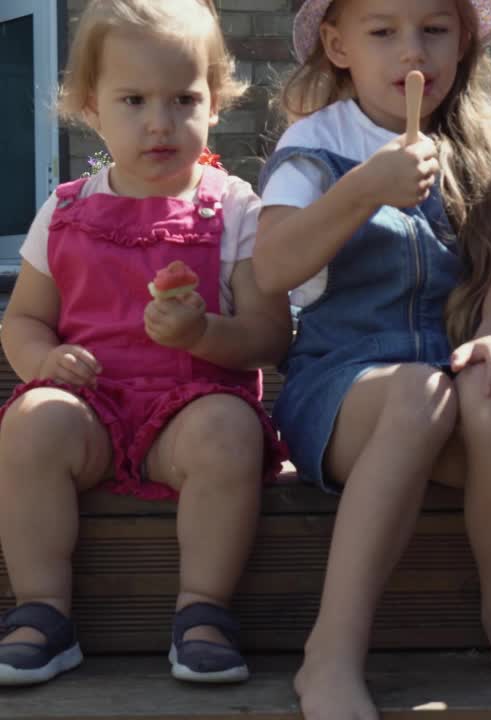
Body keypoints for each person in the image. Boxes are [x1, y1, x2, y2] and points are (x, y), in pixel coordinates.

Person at [254, 0, 491, 716]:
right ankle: (332, 652)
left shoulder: (490, 146)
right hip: (342, 390)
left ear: (465, 38)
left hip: (450, 379)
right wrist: (361, 189)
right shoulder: (318, 140)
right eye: (383, 32)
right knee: (418, 396)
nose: (414, 52)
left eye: (435, 28)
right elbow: (273, 268)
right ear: (338, 44)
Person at [0, 0, 290, 687]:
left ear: (215, 102)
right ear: (90, 107)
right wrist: (43, 363)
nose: (159, 122)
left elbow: (271, 335)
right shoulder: (65, 208)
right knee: (30, 423)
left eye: (183, 98)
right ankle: (41, 611)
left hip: (191, 413)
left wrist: (204, 332)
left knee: (229, 429)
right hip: (90, 412)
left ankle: (204, 610)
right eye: (132, 100)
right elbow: (24, 320)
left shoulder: (237, 206)